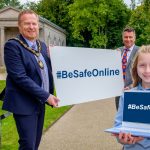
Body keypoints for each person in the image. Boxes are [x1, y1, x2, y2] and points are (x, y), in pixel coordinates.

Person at [2, 10, 59, 150]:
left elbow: (48, 70)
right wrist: (47, 96)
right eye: (27, 23)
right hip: (23, 103)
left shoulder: (43, 46)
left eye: (34, 23)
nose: (31, 27)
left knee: (35, 143)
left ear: (38, 25)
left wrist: (55, 58)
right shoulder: (13, 46)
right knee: (28, 145)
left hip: (39, 102)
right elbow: (19, 77)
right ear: (19, 26)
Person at [113, 45, 150, 149]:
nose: (147, 70)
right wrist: (122, 139)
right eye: (142, 65)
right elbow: (118, 127)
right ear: (135, 68)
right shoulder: (127, 96)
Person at [115, 27, 139, 110]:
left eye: (130, 37)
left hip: (134, 90)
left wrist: (131, 86)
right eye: (126, 37)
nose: (128, 39)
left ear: (134, 38)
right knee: (119, 113)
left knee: (132, 117)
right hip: (118, 91)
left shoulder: (140, 52)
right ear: (122, 38)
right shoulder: (117, 51)